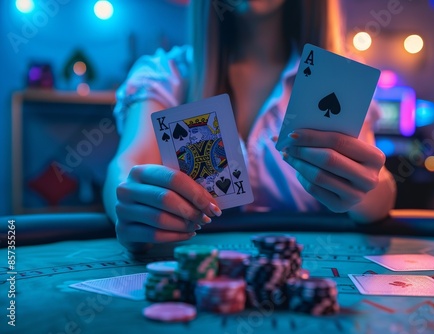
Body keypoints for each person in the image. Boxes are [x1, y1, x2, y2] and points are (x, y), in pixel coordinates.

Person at [103, 0, 397, 253]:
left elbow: (375, 185)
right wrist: (131, 204)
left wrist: (368, 192)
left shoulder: (338, 78)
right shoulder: (167, 76)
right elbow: (128, 168)